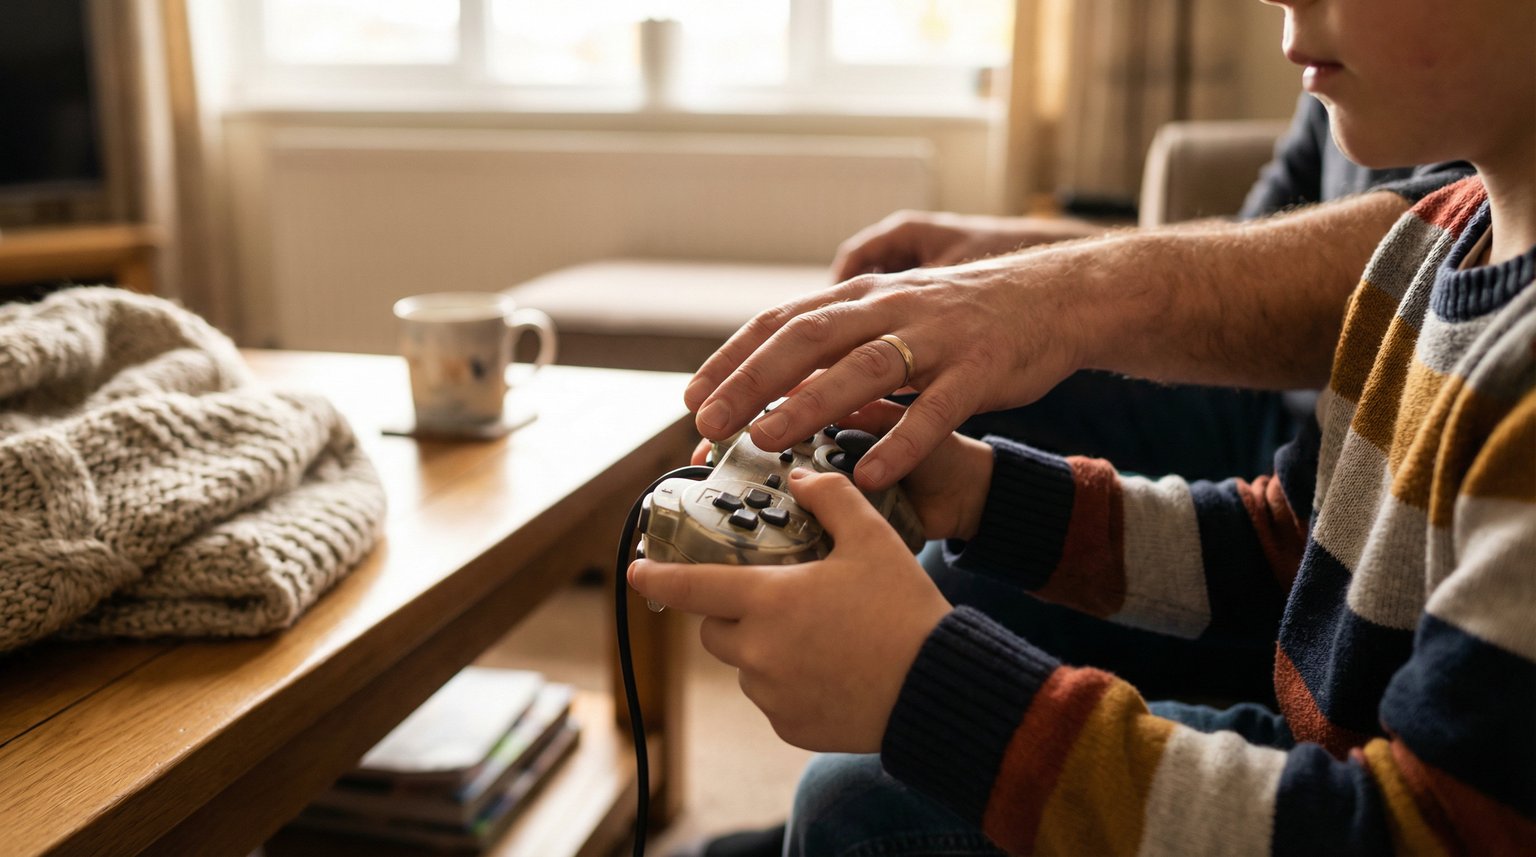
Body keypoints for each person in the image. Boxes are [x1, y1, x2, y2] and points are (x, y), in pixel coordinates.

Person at [635, 0, 1536, 852]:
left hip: (1367, 801)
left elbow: (1418, 832)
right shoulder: (1430, 241)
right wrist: (986, 494)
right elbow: (1293, 544)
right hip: (1348, 753)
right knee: (863, 780)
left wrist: (930, 689)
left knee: (860, 809)